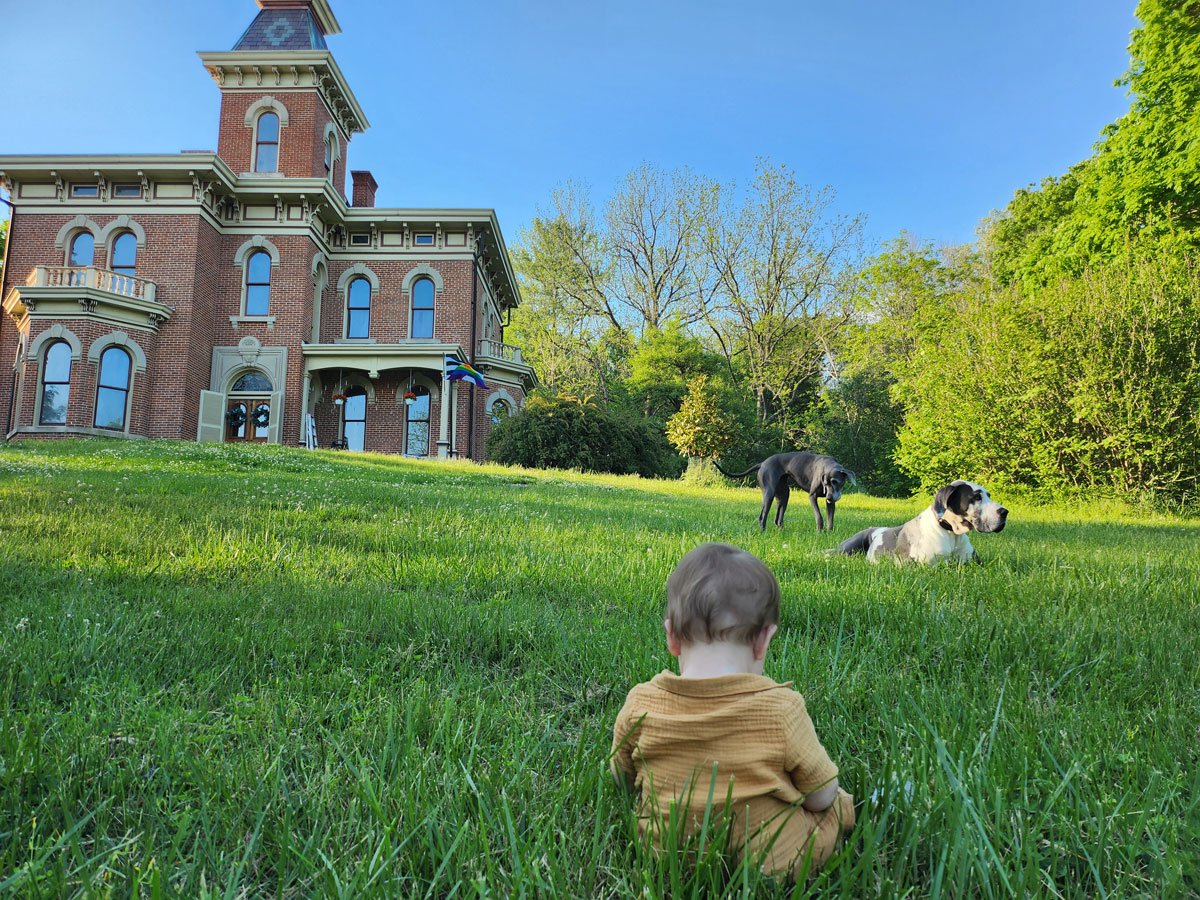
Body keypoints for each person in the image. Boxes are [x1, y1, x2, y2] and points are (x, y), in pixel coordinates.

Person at [610, 542, 855, 879]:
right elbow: (819, 795)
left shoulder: (641, 704)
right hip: (770, 862)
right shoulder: (781, 709)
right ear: (763, 641)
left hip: (664, 852)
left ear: (672, 638)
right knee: (838, 805)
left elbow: (623, 778)